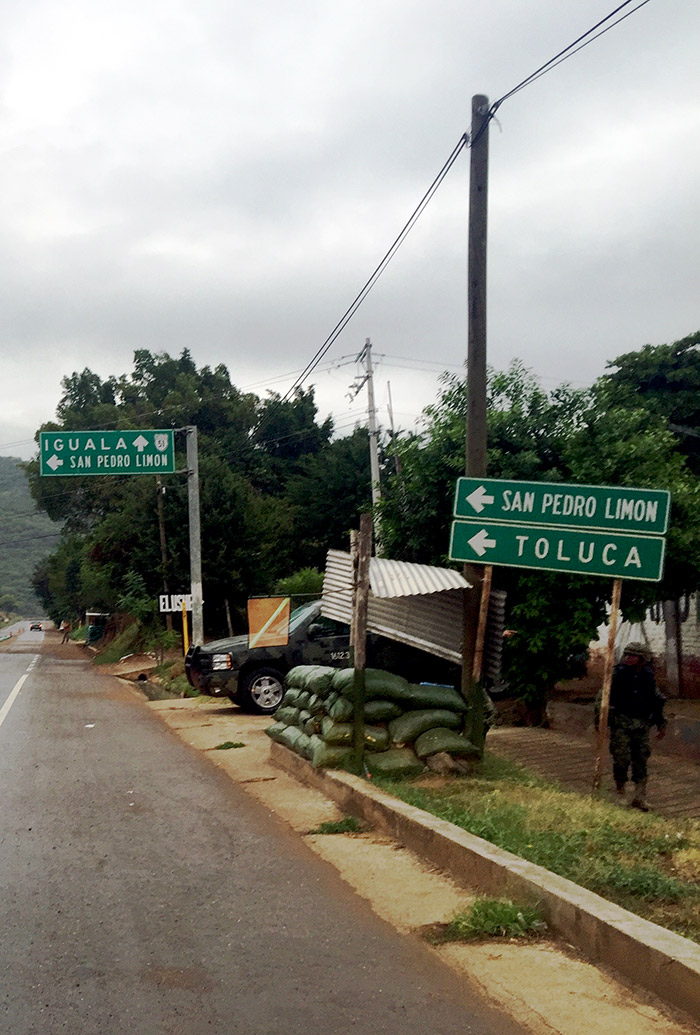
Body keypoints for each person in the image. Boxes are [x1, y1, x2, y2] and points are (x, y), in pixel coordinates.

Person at [597, 641, 666, 811]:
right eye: (627, 654)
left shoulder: (648, 676)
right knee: (621, 758)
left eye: (633, 655)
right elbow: (602, 698)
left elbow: (656, 700)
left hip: (641, 725)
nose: (628, 658)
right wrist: (600, 721)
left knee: (641, 760)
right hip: (621, 723)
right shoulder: (616, 674)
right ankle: (620, 791)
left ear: (642, 658)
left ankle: (639, 797)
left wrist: (660, 723)